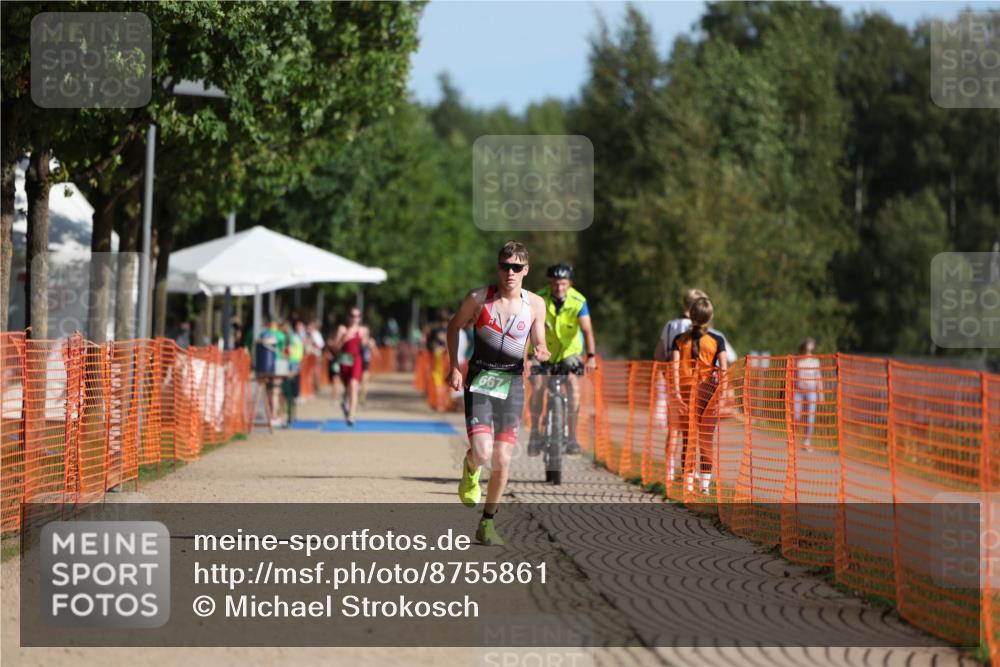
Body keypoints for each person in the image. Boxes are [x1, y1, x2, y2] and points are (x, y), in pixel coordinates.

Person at [447, 240, 549, 546]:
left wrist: (541, 347)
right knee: (481, 452)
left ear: (526, 270)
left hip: (513, 384)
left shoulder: (535, 305)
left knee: (503, 458)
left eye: (517, 267)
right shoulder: (479, 298)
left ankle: (487, 522)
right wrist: (454, 366)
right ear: (498, 267)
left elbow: (538, 334)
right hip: (480, 379)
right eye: (506, 266)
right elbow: (453, 327)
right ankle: (470, 468)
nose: (511, 273)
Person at [527, 262, 598, 458]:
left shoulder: (578, 301)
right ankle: (534, 433)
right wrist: (526, 357)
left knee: (574, 386)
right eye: (556, 283)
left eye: (563, 284)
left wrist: (591, 357)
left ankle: (572, 436)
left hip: (570, 353)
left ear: (570, 283)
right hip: (542, 351)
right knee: (538, 385)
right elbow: (527, 328)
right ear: (550, 282)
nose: (559, 288)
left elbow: (587, 331)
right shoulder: (539, 298)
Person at [670, 297, 728, 496]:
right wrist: (722, 394)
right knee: (706, 439)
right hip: (708, 394)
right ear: (710, 317)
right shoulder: (717, 341)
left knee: (688, 437)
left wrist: (677, 393)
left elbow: (675, 368)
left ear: (691, 315)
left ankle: (687, 483)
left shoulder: (679, 340)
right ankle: (704, 486)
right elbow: (724, 371)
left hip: (685, 391)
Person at [332, 307, 370, 426]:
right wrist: (344, 339)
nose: (355, 318)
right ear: (349, 317)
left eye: (357, 316)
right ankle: (345, 402)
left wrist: (367, 341)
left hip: (356, 359)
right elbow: (335, 347)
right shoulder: (342, 329)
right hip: (345, 359)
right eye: (353, 316)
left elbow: (365, 345)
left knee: (354, 385)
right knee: (347, 387)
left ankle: (351, 415)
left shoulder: (363, 330)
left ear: (360, 318)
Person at [793, 338, 823, 451]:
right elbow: (793, 376)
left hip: (811, 391)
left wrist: (821, 394)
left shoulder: (815, 361)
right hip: (799, 391)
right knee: (796, 415)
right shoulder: (798, 360)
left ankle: (807, 441)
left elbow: (818, 377)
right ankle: (793, 438)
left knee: (810, 417)